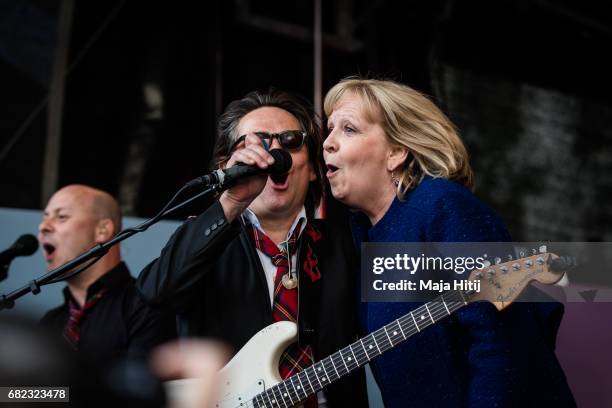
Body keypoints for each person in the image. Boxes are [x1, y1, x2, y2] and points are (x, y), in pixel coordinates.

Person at [323, 77, 576, 407]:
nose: (327, 142)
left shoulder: (442, 205)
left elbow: (501, 343)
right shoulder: (363, 234)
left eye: (348, 129)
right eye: (328, 129)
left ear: (396, 152)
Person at [137, 90, 368, 407]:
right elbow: (157, 292)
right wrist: (230, 202)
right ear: (227, 166)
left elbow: (411, 297)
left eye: (290, 141)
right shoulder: (204, 240)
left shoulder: (346, 241)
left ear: (314, 168)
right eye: (257, 142)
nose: (274, 152)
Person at [39, 185, 176, 365]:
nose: (43, 227)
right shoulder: (50, 323)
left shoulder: (145, 306)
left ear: (102, 230)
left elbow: (142, 390)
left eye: (61, 217)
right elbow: (26, 394)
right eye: (45, 218)